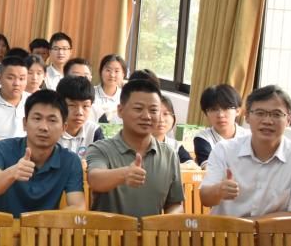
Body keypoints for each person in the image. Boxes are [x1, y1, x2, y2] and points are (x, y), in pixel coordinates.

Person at [200, 85, 291, 217]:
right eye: (260, 113)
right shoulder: (224, 150)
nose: (267, 121)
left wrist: (246, 225)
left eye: (276, 114)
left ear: (288, 120)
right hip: (225, 230)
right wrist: (219, 190)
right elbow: (205, 199)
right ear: (247, 116)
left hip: (272, 232)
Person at [84, 79, 185, 217]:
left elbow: (175, 204)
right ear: (120, 110)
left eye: (153, 110)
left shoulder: (169, 154)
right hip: (109, 230)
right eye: (138, 109)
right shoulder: (101, 149)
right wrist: (124, 174)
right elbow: (95, 180)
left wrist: (166, 220)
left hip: (151, 231)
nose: (147, 116)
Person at [0, 89, 85, 216]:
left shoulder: (70, 160)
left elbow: (78, 206)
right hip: (4, 227)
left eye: (52, 120)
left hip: (46, 227)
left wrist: (39, 222)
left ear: (64, 128)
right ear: (25, 124)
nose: (43, 127)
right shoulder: (1, 148)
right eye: (37, 118)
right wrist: (12, 172)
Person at [193, 84, 249, 166]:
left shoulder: (249, 137)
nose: (220, 115)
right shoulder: (203, 138)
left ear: (238, 111)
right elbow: (210, 168)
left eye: (226, 108)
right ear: (206, 113)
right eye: (213, 109)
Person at [55, 75, 104, 155]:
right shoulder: (50, 130)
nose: (79, 112)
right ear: (59, 105)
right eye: (72, 105)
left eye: (85, 106)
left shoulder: (94, 131)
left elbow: (102, 159)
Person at [155, 95, 193, 164]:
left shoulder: (175, 146)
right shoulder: (137, 145)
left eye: (165, 114)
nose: (161, 119)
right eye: (155, 113)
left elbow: (190, 164)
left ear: (173, 118)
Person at [94, 54, 127, 122]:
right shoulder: (91, 93)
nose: (112, 75)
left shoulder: (126, 96)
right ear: (101, 72)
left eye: (116, 71)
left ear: (123, 74)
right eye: (108, 70)